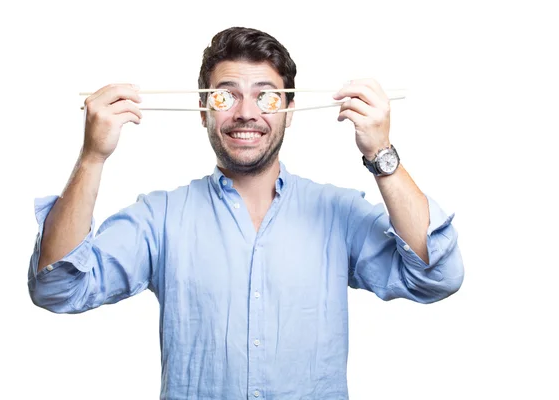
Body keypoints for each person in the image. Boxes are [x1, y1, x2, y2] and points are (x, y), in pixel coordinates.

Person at [28, 26, 464, 399]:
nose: (246, 113)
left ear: (290, 111)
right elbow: (58, 289)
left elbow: (436, 277)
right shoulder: (158, 219)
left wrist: (381, 153)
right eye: (225, 97)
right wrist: (92, 157)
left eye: (267, 98)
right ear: (203, 110)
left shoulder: (339, 214)